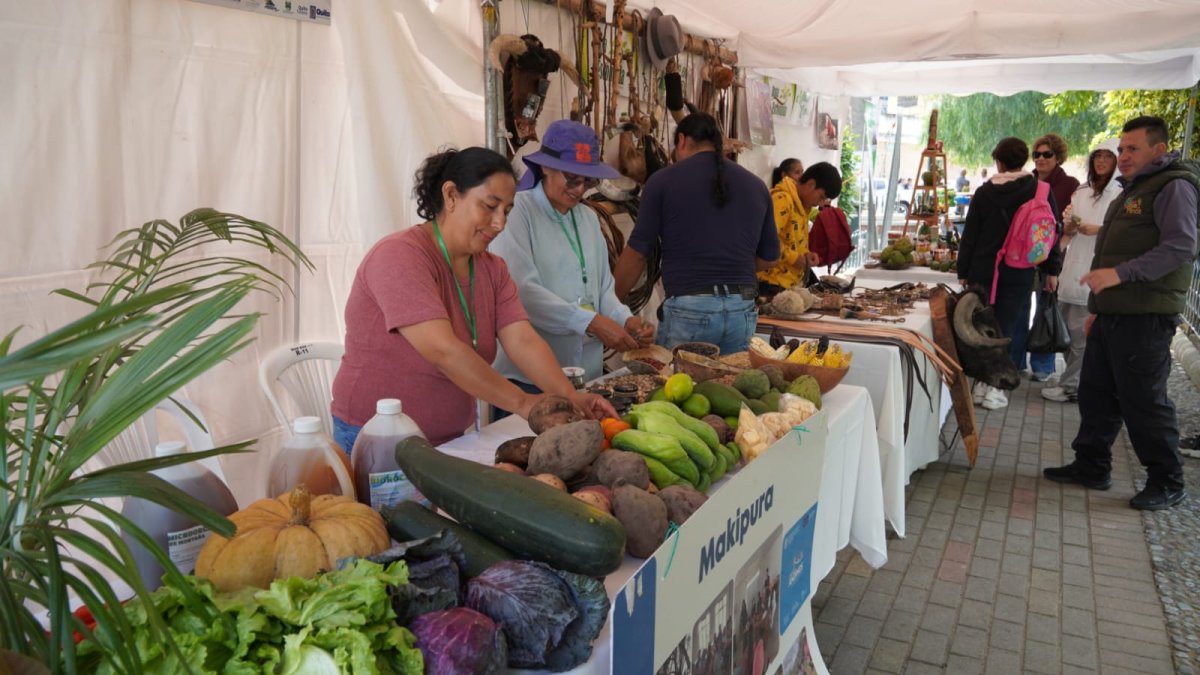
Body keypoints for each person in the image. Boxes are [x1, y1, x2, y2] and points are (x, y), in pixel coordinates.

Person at [329, 146, 616, 451]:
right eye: (489, 206)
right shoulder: (399, 256)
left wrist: (569, 397)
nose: (499, 223)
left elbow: (523, 341)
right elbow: (443, 351)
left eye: (507, 211)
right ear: (451, 196)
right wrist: (523, 403)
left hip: (451, 439)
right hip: (378, 439)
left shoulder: (492, 269)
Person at [1044, 115, 1198, 511]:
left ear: (1158, 150)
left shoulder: (1173, 186)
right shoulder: (1135, 188)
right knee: (1096, 393)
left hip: (1145, 314)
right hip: (1114, 312)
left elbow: (1181, 246)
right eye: (1121, 149)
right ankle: (1091, 465)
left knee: (1143, 400)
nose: (1123, 156)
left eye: (1132, 149)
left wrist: (1121, 274)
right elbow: (1111, 251)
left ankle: (1167, 480)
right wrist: (1099, 307)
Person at [490, 120, 654, 394]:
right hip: (529, 379)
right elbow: (522, 292)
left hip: (585, 372)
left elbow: (604, 289)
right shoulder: (517, 212)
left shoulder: (588, 217)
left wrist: (626, 319)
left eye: (588, 180)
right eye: (572, 178)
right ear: (545, 167)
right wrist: (590, 322)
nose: (579, 189)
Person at [613, 112, 780, 355]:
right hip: (741, 307)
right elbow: (770, 258)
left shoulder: (662, 181)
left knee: (679, 379)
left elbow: (638, 254)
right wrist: (730, 267)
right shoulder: (756, 186)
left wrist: (610, 303)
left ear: (682, 140)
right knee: (730, 378)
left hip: (690, 308)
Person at [957, 137, 1062, 410]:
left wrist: (963, 271)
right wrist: (1052, 270)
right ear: (1024, 160)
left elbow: (970, 235)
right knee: (1006, 326)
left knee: (982, 327)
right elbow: (1051, 233)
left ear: (999, 162)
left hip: (983, 270)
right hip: (1019, 270)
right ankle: (994, 388)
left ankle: (981, 384)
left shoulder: (984, 192)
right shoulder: (1040, 190)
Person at [1041, 139, 1121, 404]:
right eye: (1097, 156)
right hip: (1070, 270)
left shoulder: (1120, 194)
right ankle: (1072, 380)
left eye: (1107, 157)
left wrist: (1098, 230)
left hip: (1095, 272)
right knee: (1066, 333)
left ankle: (1072, 386)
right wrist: (1070, 229)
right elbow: (1067, 232)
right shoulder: (1083, 191)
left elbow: (1124, 234)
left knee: (1081, 338)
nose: (1101, 161)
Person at [1027, 133, 1081, 381]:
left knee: (1046, 308)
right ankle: (1016, 359)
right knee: (1021, 309)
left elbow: (1073, 221)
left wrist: (1058, 249)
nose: (1041, 158)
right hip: (1024, 256)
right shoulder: (1027, 182)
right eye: (1036, 154)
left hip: (1053, 255)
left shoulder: (1070, 184)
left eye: (1047, 154)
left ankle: (1043, 365)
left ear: (1057, 157)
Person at [756, 161, 843, 296]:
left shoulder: (801, 206)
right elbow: (764, 240)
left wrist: (805, 255)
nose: (820, 204)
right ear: (811, 184)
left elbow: (790, 240)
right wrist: (793, 258)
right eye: (821, 197)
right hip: (769, 284)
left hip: (788, 285)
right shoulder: (782, 200)